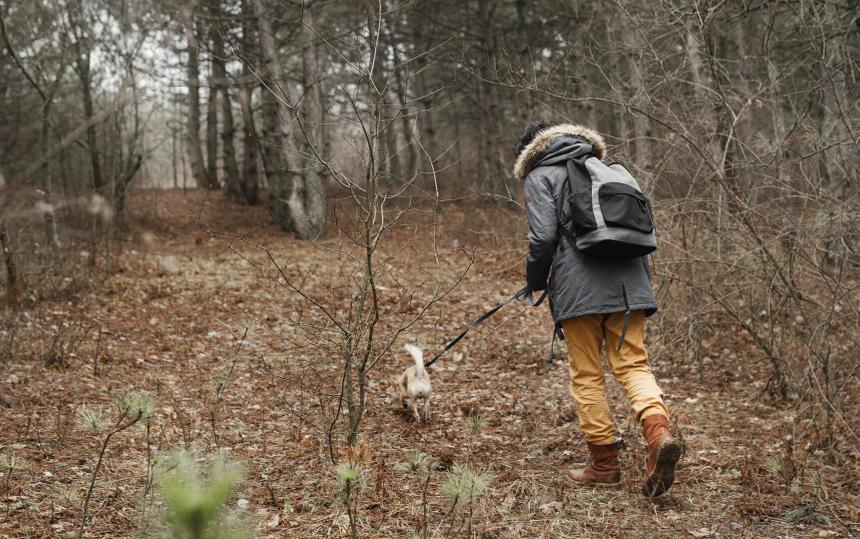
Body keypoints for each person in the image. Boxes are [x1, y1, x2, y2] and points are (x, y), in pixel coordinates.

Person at [514, 121, 681, 497]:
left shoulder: (540, 176)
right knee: (633, 364)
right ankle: (659, 434)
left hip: (580, 290)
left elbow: (542, 237)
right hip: (629, 286)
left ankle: (604, 465)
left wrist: (536, 280)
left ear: (531, 150)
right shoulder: (611, 170)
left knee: (587, 374)